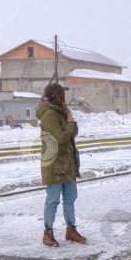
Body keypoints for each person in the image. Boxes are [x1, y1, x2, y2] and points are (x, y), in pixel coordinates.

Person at [38, 82, 86, 247]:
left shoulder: (62, 111)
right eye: (61, 94)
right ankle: (48, 232)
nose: (63, 98)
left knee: (70, 199)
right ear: (53, 96)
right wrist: (70, 123)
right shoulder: (49, 115)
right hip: (54, 164)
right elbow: (60, 138)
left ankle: (71, 230)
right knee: (53, 200)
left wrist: (70, 122)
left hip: (67, 163)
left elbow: (72, 134)